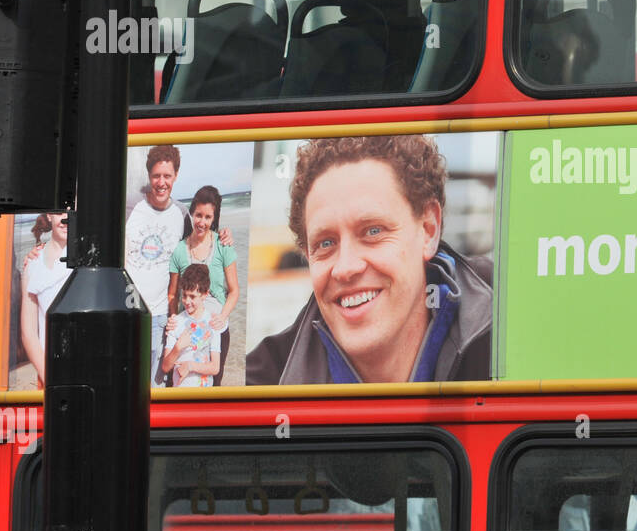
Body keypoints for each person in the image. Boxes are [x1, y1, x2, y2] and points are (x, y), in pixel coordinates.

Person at [246, 135, 491, 386]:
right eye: (326, 243)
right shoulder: (258, 386)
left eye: (373, 231)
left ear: (428, 230)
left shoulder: (513, 324)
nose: (346, 268)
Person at [125, 145, 232, 377]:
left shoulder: (183, 214)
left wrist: (224, 234)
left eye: (167, 176)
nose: (161, 182)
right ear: (149, 176)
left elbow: (199, 239)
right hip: (128, 310)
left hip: (162, 316)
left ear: (176, 176)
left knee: (157, 384)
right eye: (156, 176)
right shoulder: (129, 206)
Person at [166, 186, 239, 386]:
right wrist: (173, 319)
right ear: (192, 213)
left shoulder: (223, 246)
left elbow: (234, 291)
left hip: (216, 330)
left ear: (214, 218)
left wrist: (222, 317)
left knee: (213, 385)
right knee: (182, 382)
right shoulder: (180, 250)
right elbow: (172, 294)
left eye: (208, 217)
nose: (202, 222)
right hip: (187, 330)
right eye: (198, 215)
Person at [19, 213, 72, 388]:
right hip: (49, 373)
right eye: (59, 212)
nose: (65, 219)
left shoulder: (91, 257)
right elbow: (28, 332)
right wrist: (49, 377)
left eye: (71, 211)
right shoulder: (33, 264)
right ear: (49, 216)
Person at [162, 263, 220, 388]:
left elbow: (215, 368)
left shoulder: (213, 322)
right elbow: (166, 367)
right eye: (184, 295)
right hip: (180, 392)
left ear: (205, 294)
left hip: (204, 393)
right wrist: (178, 347)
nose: (187, 301)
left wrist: (190, 366)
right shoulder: (176, 322)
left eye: (192, 296)